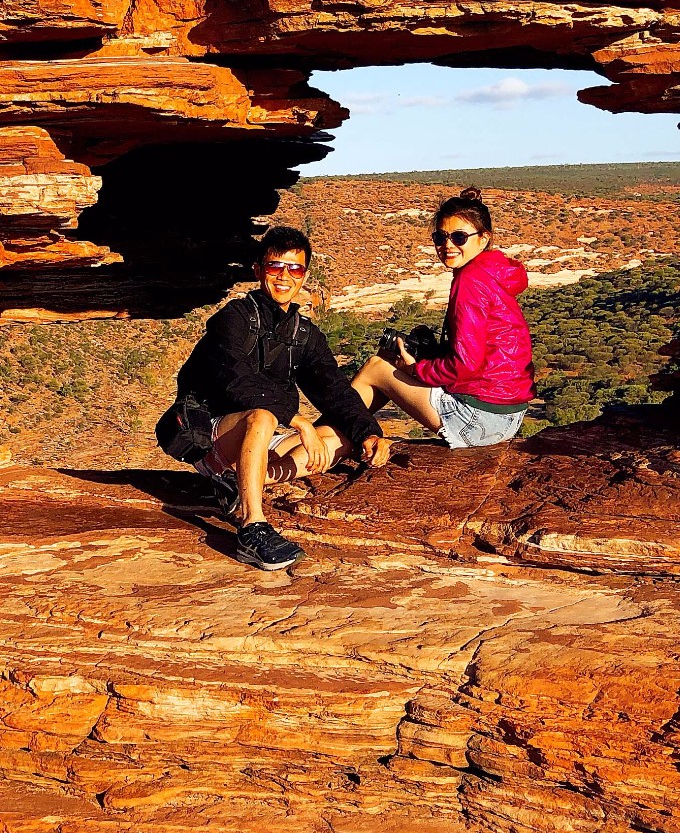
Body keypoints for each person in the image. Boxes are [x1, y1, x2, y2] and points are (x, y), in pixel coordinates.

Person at [157, 226, 390, 571]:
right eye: (274, 266)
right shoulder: (233, 319)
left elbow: (333, 387)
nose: (284, 277)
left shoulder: (303, 333)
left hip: (260, 442)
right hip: (214, 434)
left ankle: (243, 481)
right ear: (257, 270)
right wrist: (299, 422)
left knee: (341, 438)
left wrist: (369, 433)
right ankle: (252, 525)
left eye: (294, 269)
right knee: (262, 417)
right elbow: (238, 381)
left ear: (305, 275)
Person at [351, 193, 535, 448]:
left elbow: (466, 364)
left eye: (459, 237)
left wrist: (415, 370)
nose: (448, 245)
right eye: (440, 237)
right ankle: (341, 431)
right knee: (391, 357)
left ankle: (328, 437)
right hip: (507, 415)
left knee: (376, 367)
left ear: (483, 239)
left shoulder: (470, 280)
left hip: (479, 419)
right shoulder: (492, 271)